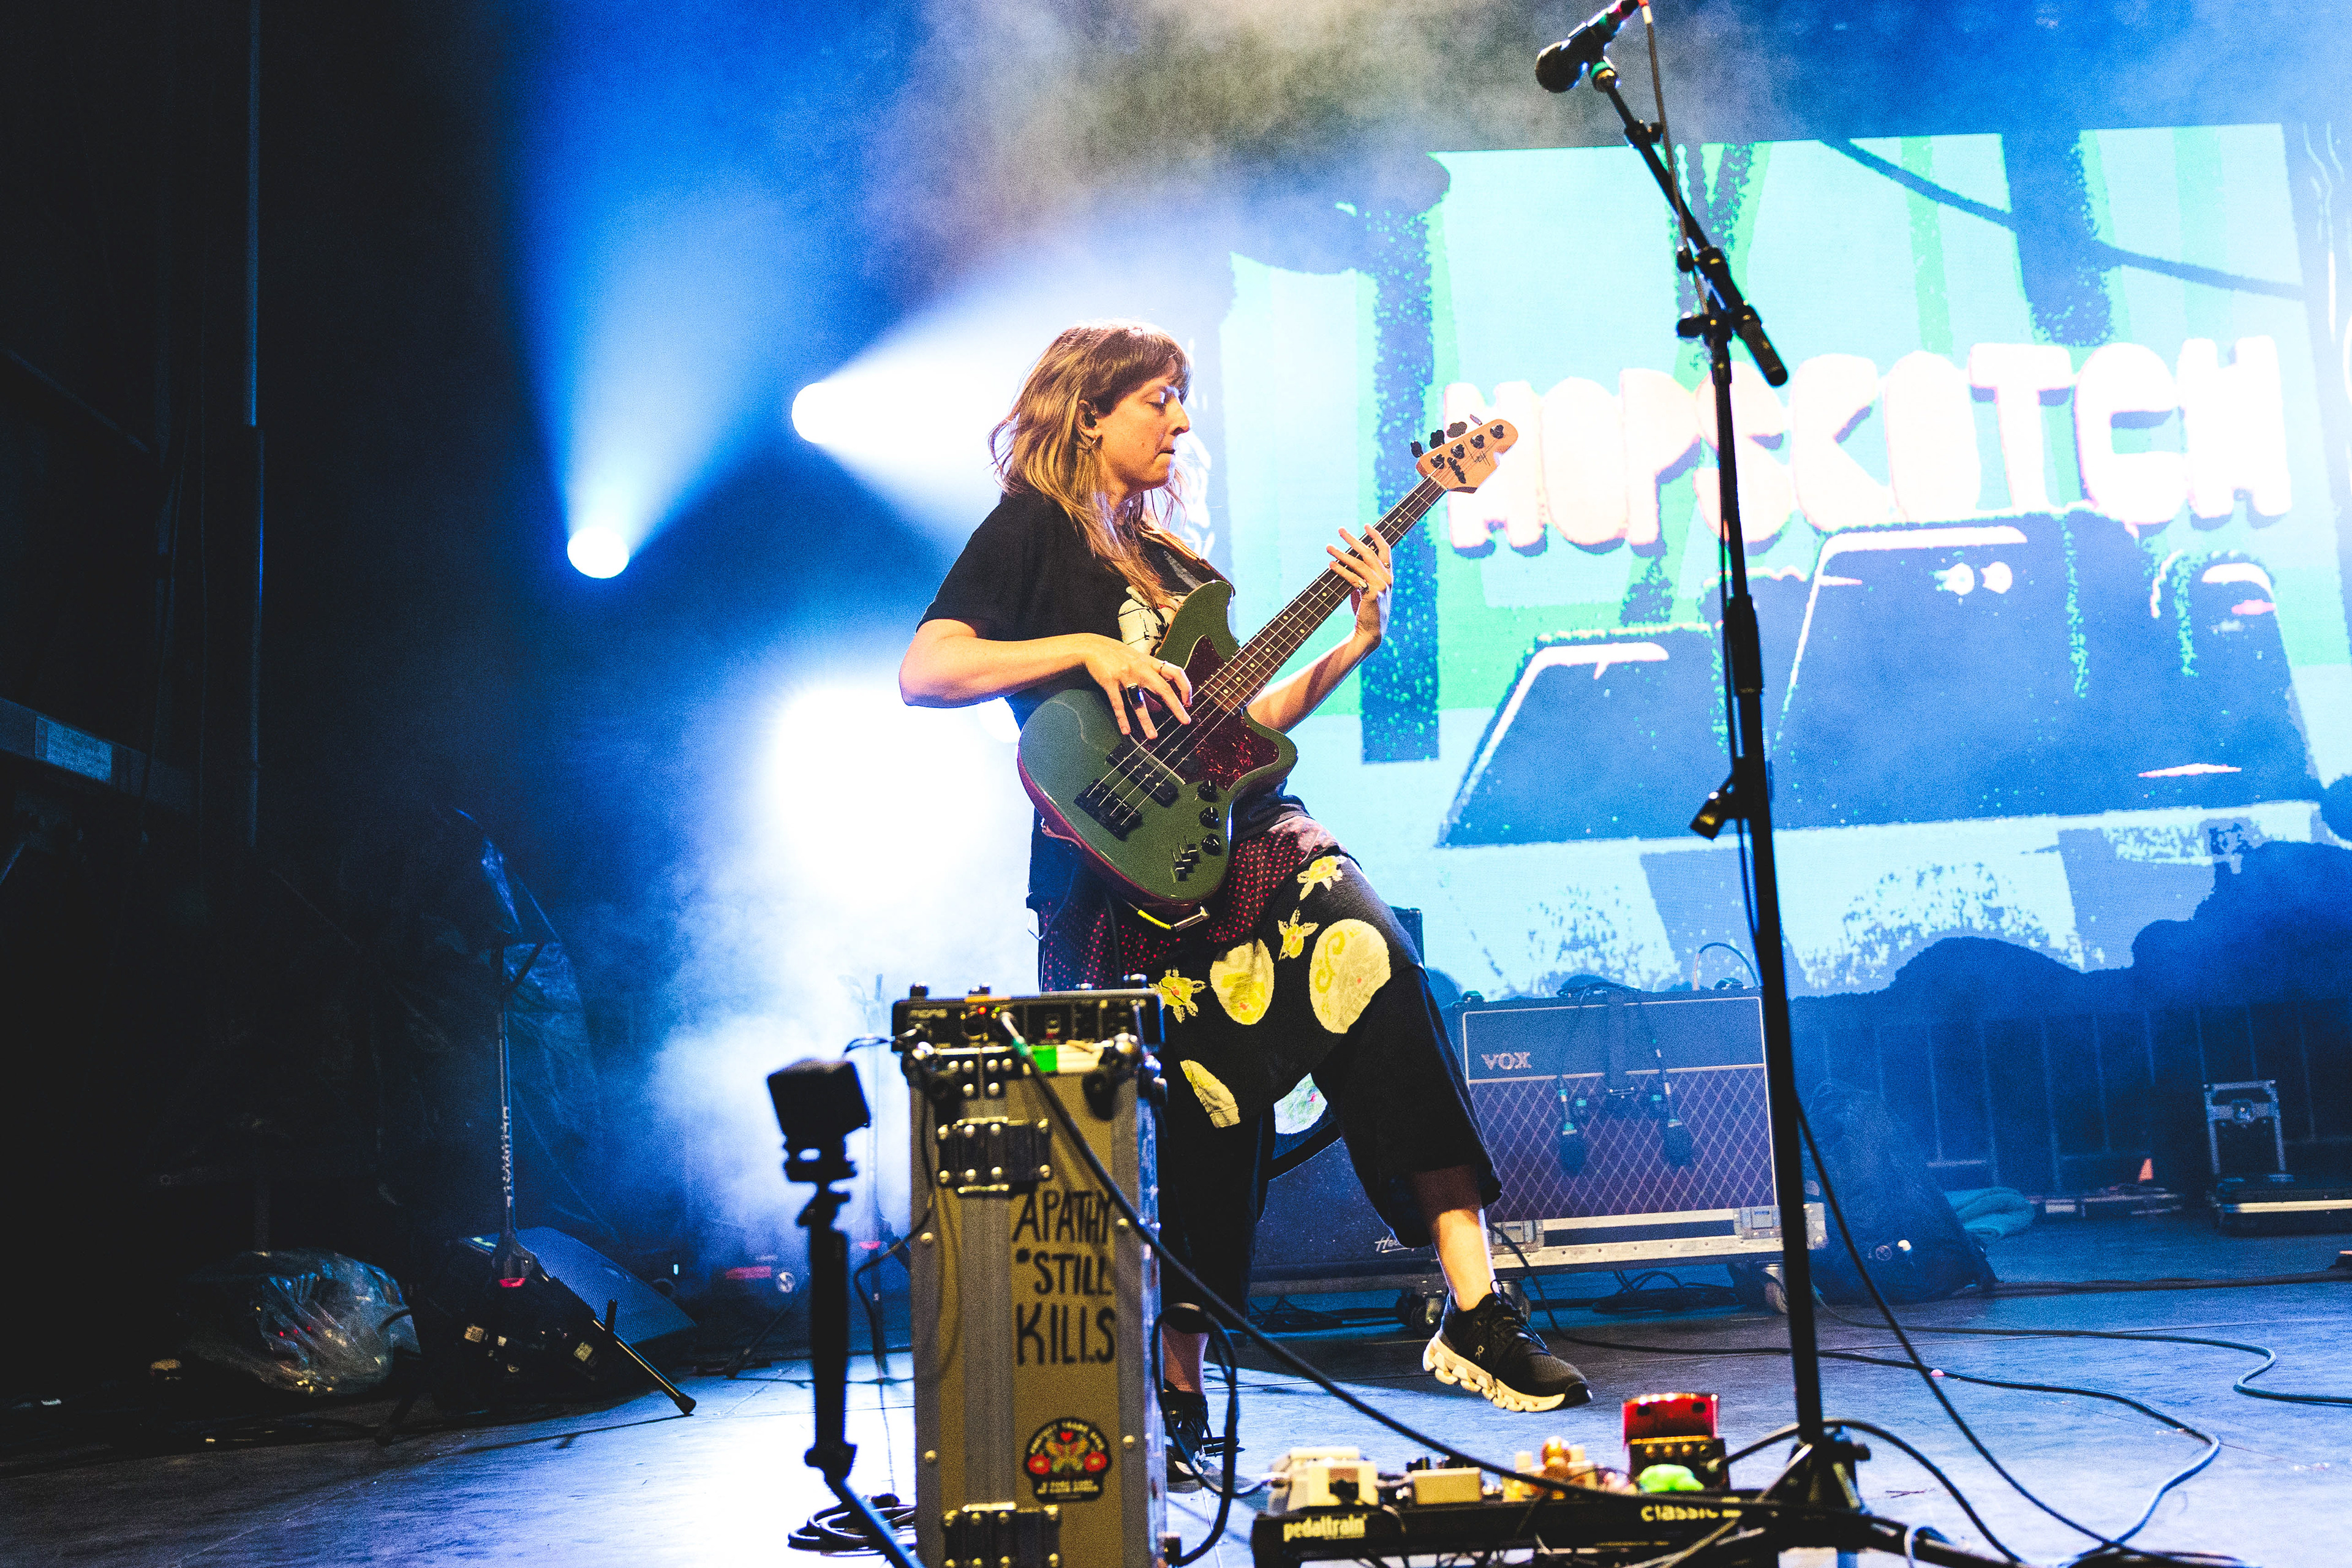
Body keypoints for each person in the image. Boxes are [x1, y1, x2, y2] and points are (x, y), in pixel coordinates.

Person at [900, 321, 1588, 1484]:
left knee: (1377, 955)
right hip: (1120, 867)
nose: (1182, 421)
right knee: (1215, 1113)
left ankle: (1476, 1305)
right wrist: (1087, 650)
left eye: (1184, 400)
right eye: (1162, 399)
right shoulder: (1030, 531)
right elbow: (928, 670)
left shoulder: (1187, 576)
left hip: (1250, 836)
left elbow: (1247, 735)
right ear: (1091, 413)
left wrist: (1357, 642)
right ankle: (1181, 1353)